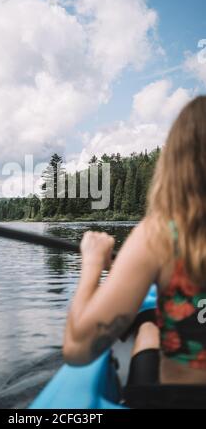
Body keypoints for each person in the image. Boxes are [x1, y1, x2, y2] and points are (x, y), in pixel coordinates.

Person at [63, 96, 206, 408]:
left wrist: (92, 263)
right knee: (151, 322)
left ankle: (146, 325)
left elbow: (77, 350)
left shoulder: (161, 234)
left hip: (181, 402)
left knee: (148, 326)